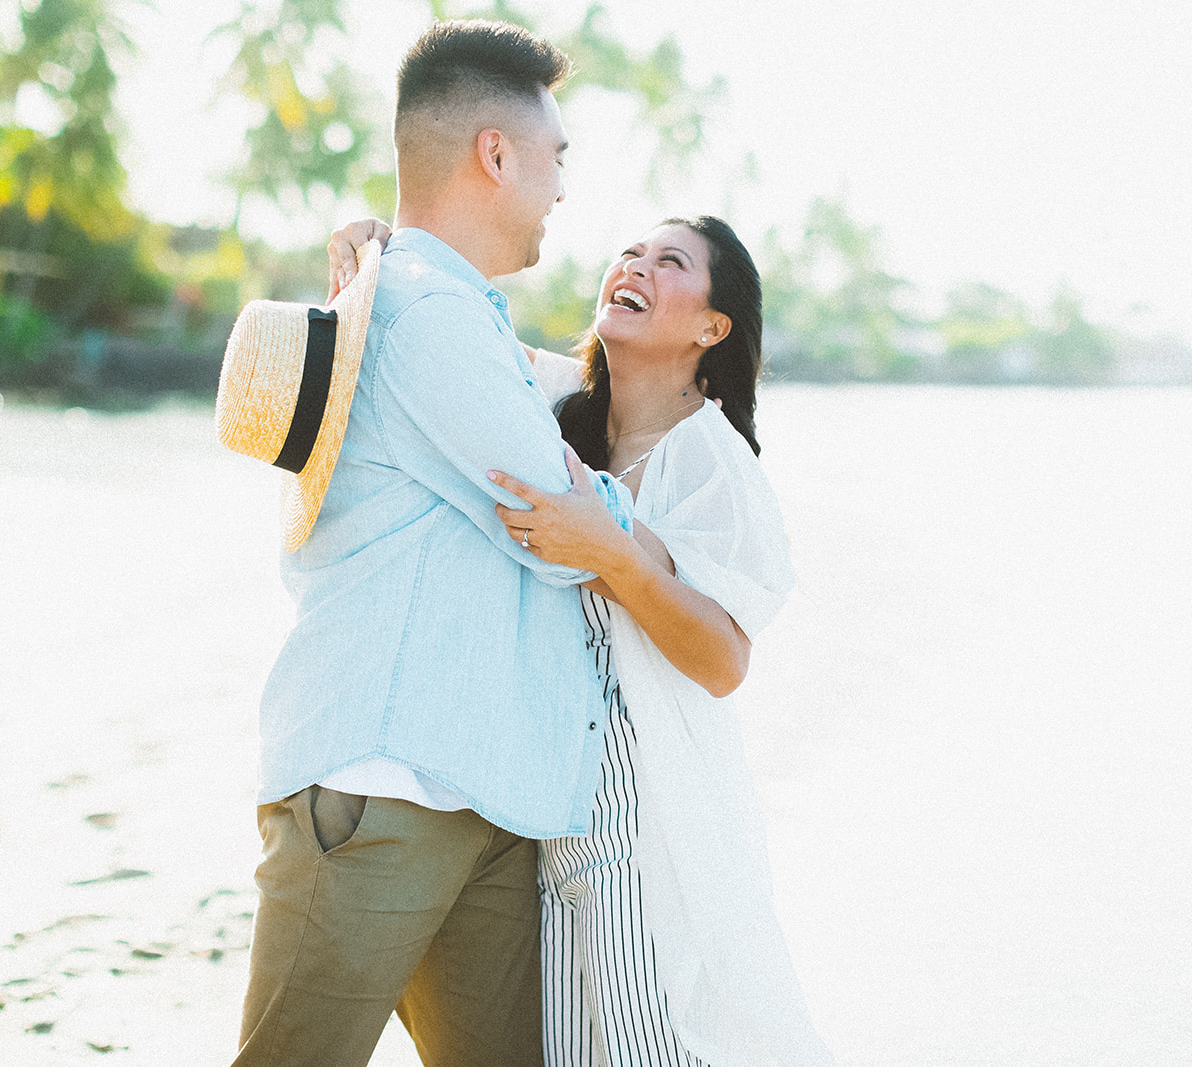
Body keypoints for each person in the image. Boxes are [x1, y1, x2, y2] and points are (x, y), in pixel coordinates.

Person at [233, 20, 659, 1067]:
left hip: (485, 791)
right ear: (495, 153)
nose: (561, 188)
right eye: (556, 158)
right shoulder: (422, 315)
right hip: (384, 790)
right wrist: (630, 525)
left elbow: (570, 436)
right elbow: (564, 537)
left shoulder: (454, 315)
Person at [334, 215, 834, 1064]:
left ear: (713, 328)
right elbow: (452, 337)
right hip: (536, 818)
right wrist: (384, 249)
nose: (633, 266)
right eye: (631, 252)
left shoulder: (710, 457)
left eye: (669, 262)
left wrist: (615, 556)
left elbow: (724, 659)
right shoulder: (557, 409)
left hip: (641, 824)